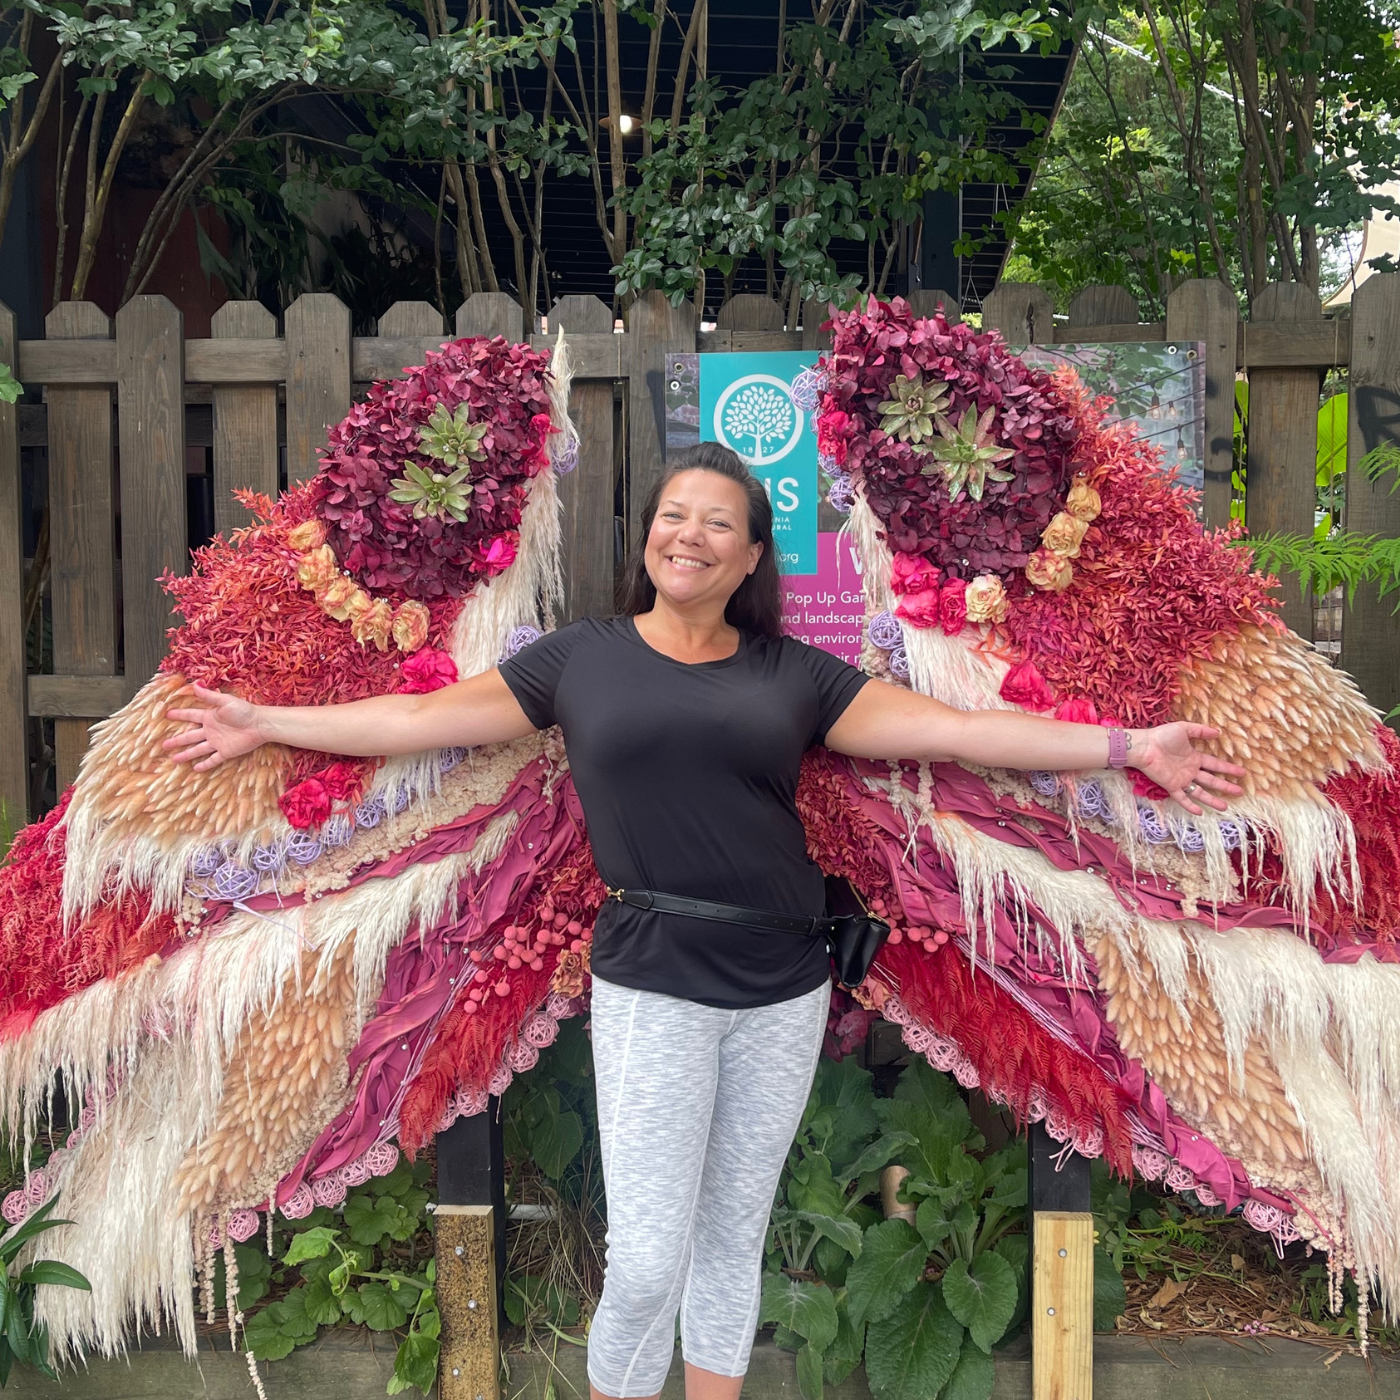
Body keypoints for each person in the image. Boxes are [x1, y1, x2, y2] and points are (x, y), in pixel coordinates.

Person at [164, 443, 1242, 1400]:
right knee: (644, 1259)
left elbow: (961, 730)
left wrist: (1128, 745)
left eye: (718, 523)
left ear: (747, 558)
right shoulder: (578, 659)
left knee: (731, 1237)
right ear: (648, 540)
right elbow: (412, 718)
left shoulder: (796, 675)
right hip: (653, 976)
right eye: (675, 515)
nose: (691, 535)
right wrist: (262, 720)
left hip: (781, 981)